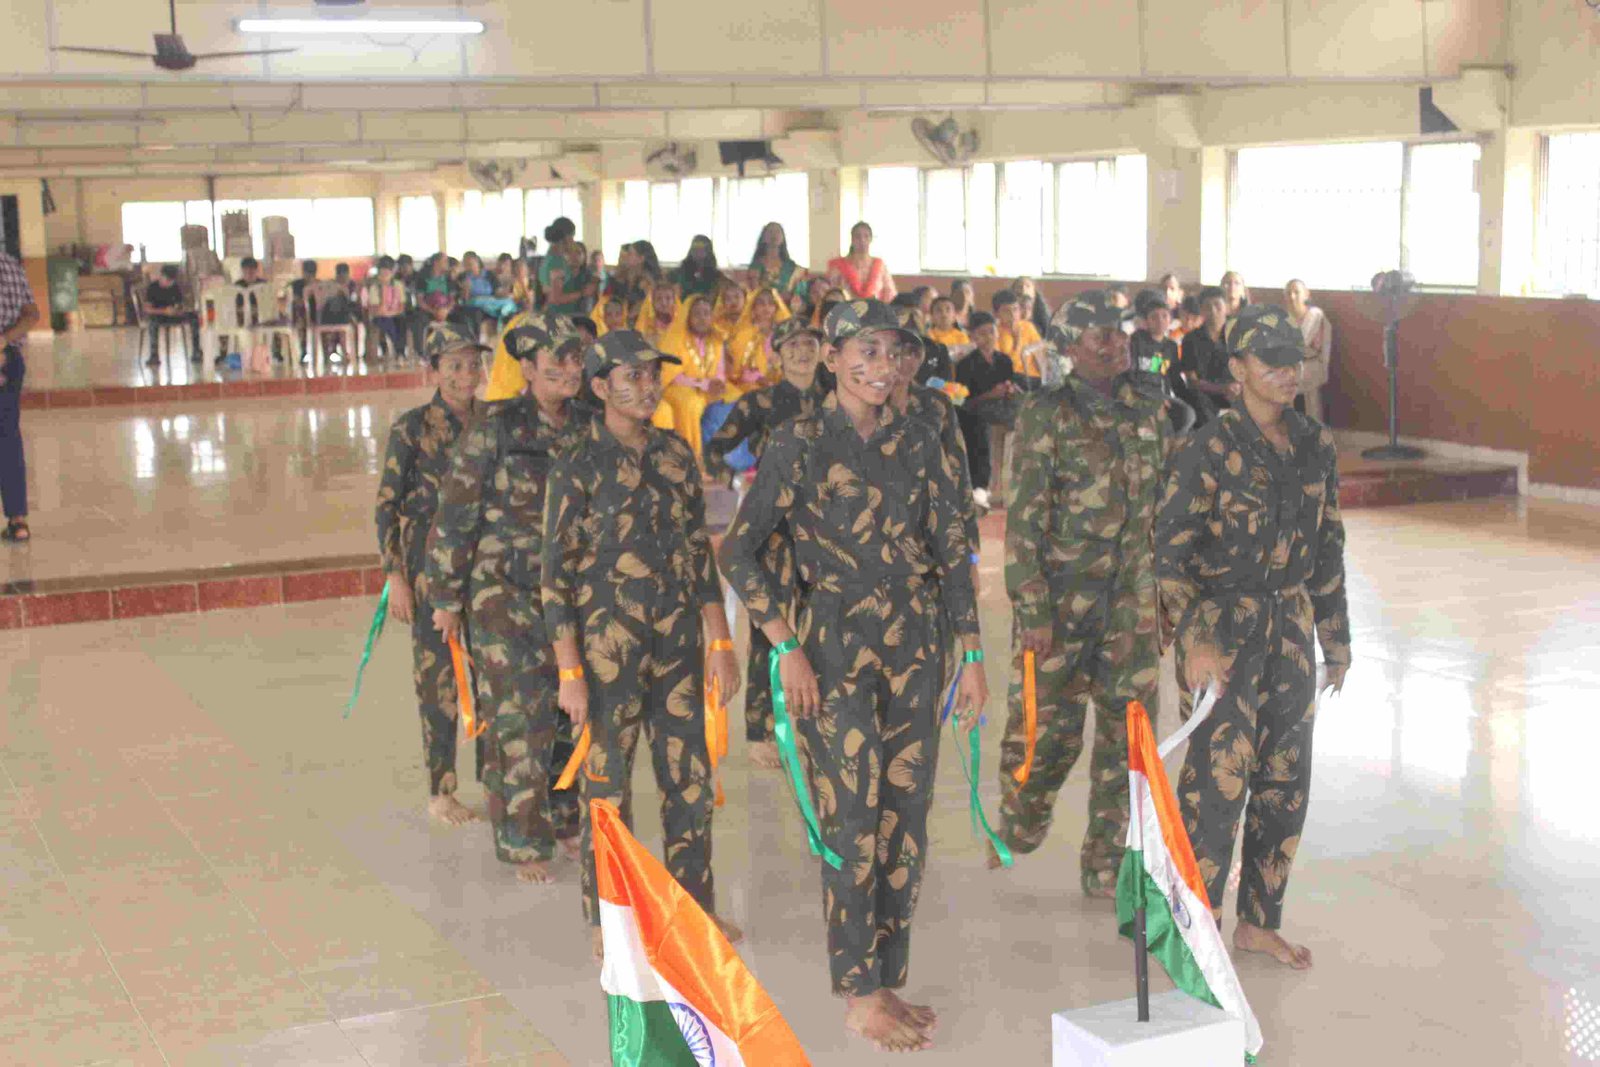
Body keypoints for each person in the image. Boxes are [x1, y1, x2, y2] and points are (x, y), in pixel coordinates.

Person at [718, 299, 986, 1055]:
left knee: (905, 817)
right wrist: (785, 645)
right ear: (831, 358)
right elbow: (738, 550)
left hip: (916, 644)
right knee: (850, 819)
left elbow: (952, 549)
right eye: (865, 351)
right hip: (831, 647)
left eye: (894, 352)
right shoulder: (798, 442)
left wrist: (970, 655)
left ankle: (885, 976)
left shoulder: (922, 439)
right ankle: (858, 993)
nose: (882, 366)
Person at [1154, 304, 1349, 971]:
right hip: (1222, 630)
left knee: (1284, 780)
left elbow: (1328, 542)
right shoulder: (1208, 447)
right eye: (1271, 361)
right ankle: (1195, 927)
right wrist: (1195, 640)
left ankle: (1260, 923)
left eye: (1294, 360)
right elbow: (1170, 555)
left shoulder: (1315, 443)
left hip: (1290, 626)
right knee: (1216, 784)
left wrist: (1336, 637)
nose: (1288, 373)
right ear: (1237, 369)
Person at [541, 329, 743, 960]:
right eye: (633, 376)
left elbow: (698, 551)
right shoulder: (576, 461)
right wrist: (569, 672)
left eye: (654, 375)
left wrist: (720, 640)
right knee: (607, 786)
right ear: (601, 386)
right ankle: (610, 918)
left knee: (689, 779)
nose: (649, 386)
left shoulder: (676, 453)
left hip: (678, 644)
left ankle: (694, 909)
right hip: (607, 651)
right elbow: (554, 575)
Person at [992, 290, 1171, 897]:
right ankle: (1021, 822)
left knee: (1129, 739)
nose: (1115, 343)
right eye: (1100, 335)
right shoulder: (1045, 414)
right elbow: (1024, 521)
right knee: (1046, 737)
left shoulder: (1151, 408)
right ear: (1069, 347)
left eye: (1119, 332)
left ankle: (1106, 865)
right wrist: (1032, 608)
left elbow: (1165, 510)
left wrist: (1168, 599)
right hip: (1061, 606)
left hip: (1133, 605)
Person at [426, 321, 588, 883]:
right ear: (528, 367)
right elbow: (455, 512)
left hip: (571, 595)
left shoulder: (591, 424)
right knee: (520, 715)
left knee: (570, 712)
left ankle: (565, 818)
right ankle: (523, 839)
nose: (567, 369)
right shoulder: (496, 426)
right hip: (504, 592)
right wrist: (445, 596)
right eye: (554, 360)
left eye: (576, 358)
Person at [374, 322, 487, 826]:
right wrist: (395, 576)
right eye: (455, 365)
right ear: (433, 371)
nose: (467, 374)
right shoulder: (412, 428)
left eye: (473, 364)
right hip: (429, 570)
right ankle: (441, 790)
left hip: (489, 567)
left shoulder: (493, 423)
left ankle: (498, 783)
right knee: (437, 680)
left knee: (495, 675)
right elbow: (386, 506)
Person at [704, 318, 829, 771]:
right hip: (772, 530)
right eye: (792, 344)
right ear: (777, 354)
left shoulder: (837, 397)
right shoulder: (760, 401)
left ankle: (819, 723)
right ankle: (761, 730)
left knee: (823, 626)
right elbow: (716, 448)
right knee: (768, 631)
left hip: (825, 529)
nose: (801, 351)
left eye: (809, 343)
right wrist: (736, 480)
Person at [954, 311, 1018, 511]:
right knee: (977, 425)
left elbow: (1009, 386)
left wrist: (1009, 390)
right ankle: (980, 487)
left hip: (1002, 407)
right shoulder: (966, 364)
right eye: (982, 333)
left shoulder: (1004, 360)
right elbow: (965, 402)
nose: (989, 337)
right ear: (973, 336)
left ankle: (1016, 487)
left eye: (992, 331)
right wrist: (990, 394)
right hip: (976, 410)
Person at [659, 293, 730, 461]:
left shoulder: (716, 339)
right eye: (697, 313)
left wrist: (718, 383)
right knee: (690, 404)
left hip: (707, 390)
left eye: (706, 313)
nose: (702, 318)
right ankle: (691, 459)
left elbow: (720, 371)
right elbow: (673, 375)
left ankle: (723, 461)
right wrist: (703, 384)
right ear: (687, 317)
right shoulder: (675, 338)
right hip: (677, 388)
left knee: (732, 403)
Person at [0, 252, 39, 544]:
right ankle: (18, 521)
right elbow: (32, 314)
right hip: (9, 358)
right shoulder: (10, 265)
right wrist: (3, 341)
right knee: (8, 438)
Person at [1130, 288, 1196, 432]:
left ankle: (1174, 444)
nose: (1160, 320)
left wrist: (1190, 398)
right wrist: (1148, 398)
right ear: (1146, 321)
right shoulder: (1136, 341)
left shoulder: (1170, 346)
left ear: (1170, 320)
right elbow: (1130, 377)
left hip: (1162, 395)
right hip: (1138, 395)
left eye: (1164, 316)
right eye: (1154, 317)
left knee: (1188, 414)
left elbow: (1175, 379)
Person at [1181, 286, 1235, 426]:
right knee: (1197, 399)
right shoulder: (1191, 339)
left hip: (1234, 392)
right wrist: (1221, 389)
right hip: (1205, 393)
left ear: (1227, 308)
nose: (1213, 310)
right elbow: (1192, 380)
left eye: (1217, 305)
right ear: (1201, 310)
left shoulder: (1238, 337)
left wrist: (1237, 387)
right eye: (1207, 307)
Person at [1285, 279, 1332, 422]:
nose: (1292, 296)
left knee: (1286, 377)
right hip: (1291, 364)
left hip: (1313, 364)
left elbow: (1301, 344)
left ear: (1306, 294)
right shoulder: (1284, 317)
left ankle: (1308, 428)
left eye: (1296, 292)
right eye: (1288, 293)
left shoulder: (1315, 314)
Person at [725, 286, 789, 387]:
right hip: (748, 387)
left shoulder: (784, 335)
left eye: (770, 303)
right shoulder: (743, 335)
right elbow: (736, 371)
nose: (766, 307)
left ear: (776, 307)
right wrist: (757, 379)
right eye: (761, 303)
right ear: (753, 308)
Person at [143, 264, 201, 364]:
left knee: (194, 317)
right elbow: (147, 309)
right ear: (161, 276)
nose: (169, 283)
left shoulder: (175, 287)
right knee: (152, 323)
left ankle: (196, 352)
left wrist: (177, 310)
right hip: (158, 315)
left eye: (171, 281)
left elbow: (180, 304)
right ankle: (154, 355)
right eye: (167, 280)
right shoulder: (153, 288)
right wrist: (164, 311)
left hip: (173, 314)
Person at [826, 222, 897, 301]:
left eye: (866, 236)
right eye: (858, 236)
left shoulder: (880, 266)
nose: (862, 240)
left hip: (876, 307)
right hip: (846, 308)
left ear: (871, 239)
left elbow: (890, 294)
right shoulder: (838, 266)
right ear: (852, 239)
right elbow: (830, 294)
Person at [540, 219, 594, 316]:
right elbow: (555, 298)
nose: (573, 241)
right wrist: (582, 293)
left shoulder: (550, 258)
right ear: (566, 237)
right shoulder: (556, 262)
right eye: (573, 236)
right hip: (560, 315)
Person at [992, 290, 1045, 383]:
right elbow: (1003, 368)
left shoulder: (1027, 327)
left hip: (1034, 378)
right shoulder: (994, 334)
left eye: (1015, 309)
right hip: (1011, 380)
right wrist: (1017, 342)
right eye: (1006, 311)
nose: (1012, 315)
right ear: (996, 314)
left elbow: (1041, 352)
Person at [363, 256, 408, 359]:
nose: (385, 276)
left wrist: (392, 313)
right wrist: (383, 289)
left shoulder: (398, 285)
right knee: (389, 324)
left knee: (401, 323)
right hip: (379, 316)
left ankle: (400, 352)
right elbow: (377, 310)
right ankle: (395, 351)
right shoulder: (374, 287)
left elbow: (401, 306)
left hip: (395, 314)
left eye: (387, 273)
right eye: (382, 274)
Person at [748, 221, 807, 298]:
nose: (774, 235)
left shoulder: (790, 266)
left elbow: (799, 291)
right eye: (770, 232)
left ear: (783, 238)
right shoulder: (756, 265)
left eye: (777, 232)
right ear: (763, 237)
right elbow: (755, 291)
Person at [670, 235, 722, 299]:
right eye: (695, 249)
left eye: (702, 249)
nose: (698, 252)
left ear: (708, 251)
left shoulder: (716, 276)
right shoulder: (679, 272)